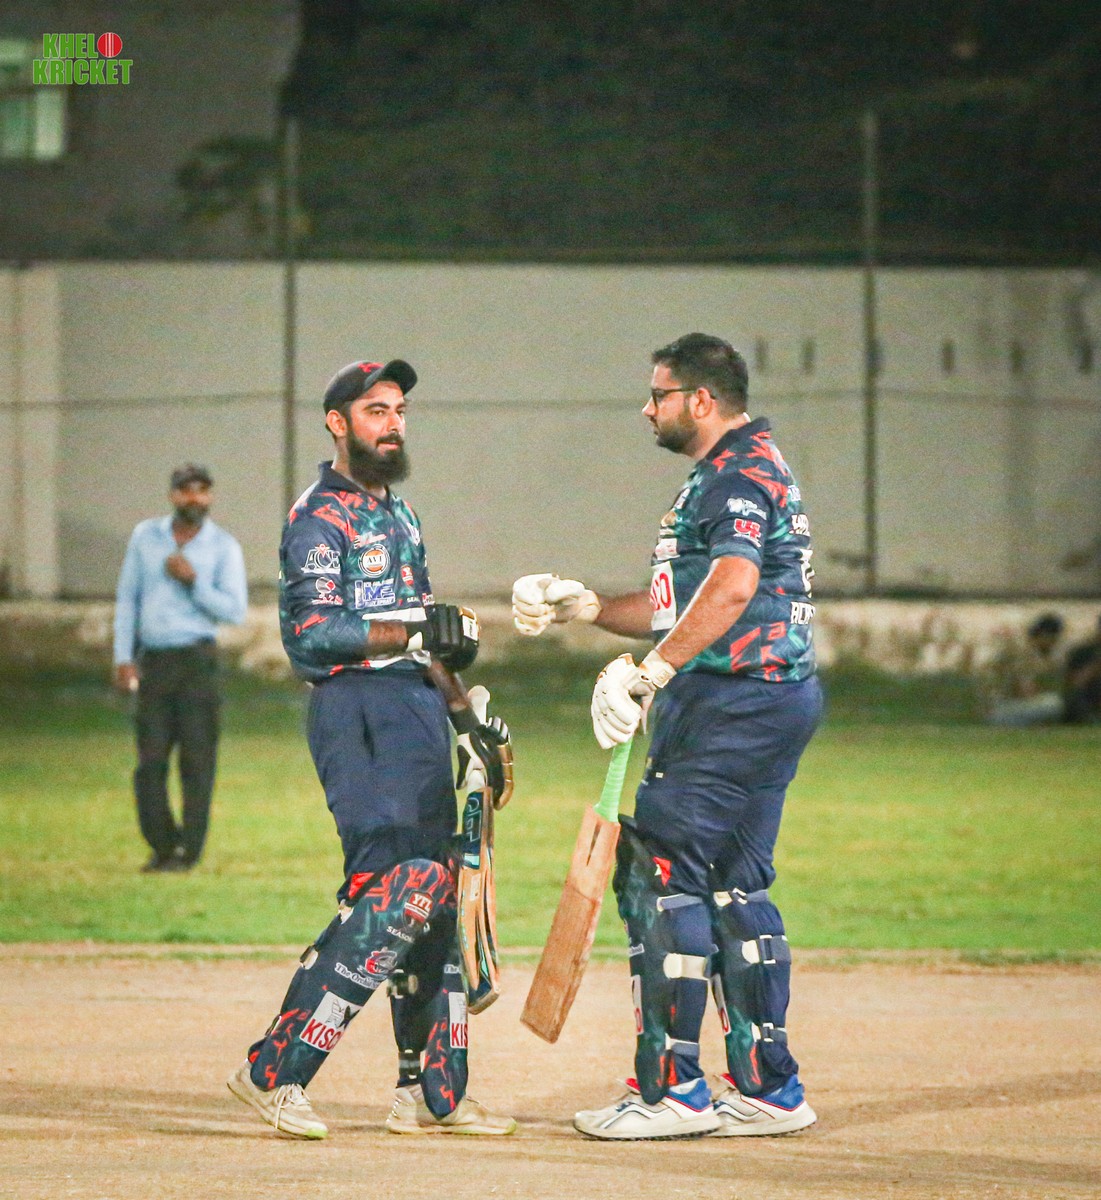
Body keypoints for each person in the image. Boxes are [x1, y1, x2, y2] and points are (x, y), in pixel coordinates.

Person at [513, 332, 821, 1141]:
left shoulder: (736, 476)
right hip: (773, 698)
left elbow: (733, 587)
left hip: (729, 705)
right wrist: (589, 609)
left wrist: (649, 674)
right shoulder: (736, 469)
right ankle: (768, 1089)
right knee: (734, 885)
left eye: (659, 394)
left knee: (661, 877)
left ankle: (671, 1091)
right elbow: (680, 604)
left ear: (701, 400)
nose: (647, 409)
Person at [227, 357, 515, 1141]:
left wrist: (463, 717)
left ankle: (428, 1093)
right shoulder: (318, 517)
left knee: (436, 897)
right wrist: (418, 629)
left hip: (416, 710)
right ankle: (273, 1071)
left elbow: (423, 637)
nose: (392, 424)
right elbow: (312, 634)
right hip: (356, 710)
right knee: (396, 889)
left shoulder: (402, 516)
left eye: (399, 411)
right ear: (338, 423)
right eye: (376, 411)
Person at [113, 463, 247, 872]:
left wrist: (195, 583)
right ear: (173, 495)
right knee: (150, 762)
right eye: (186, 491)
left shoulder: (222, 547)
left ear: (210, 497)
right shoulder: (145, 538)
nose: (194, 498)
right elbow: (128, 599)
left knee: (197, 762)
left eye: (201, 491)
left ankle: (188, 852)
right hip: (155, 662)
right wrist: (123, 657)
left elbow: (234, 610)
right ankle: (162, 845)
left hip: (197, 663)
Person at [982, 613, 1065, 727]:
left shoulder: (1023, 649)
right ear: (1044, 635)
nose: (1054, 644)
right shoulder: (1024, 653)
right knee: (1054, 703)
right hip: (1000, 710)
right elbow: (1023, 690)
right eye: (1053, 639)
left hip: (1000, 708)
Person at [1063, 613, 1101, 725]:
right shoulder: (1083, 652)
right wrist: (1094, 668)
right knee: (1075, 697)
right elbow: (1074, 684)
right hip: (1088, 695)